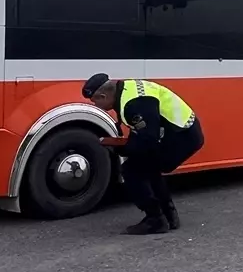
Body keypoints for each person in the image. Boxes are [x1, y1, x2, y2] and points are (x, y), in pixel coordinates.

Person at [82, 73, 205, 235]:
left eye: (95, 101)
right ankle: (168, 216)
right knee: (148, 166)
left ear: (104, 95)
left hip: (181, 136)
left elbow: (148, 139)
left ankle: (155, 219)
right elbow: (142, 133)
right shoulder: (127, 90)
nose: (96, 106)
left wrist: (123, 149)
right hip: (182, 130)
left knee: (132, 171)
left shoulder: (133, 104)